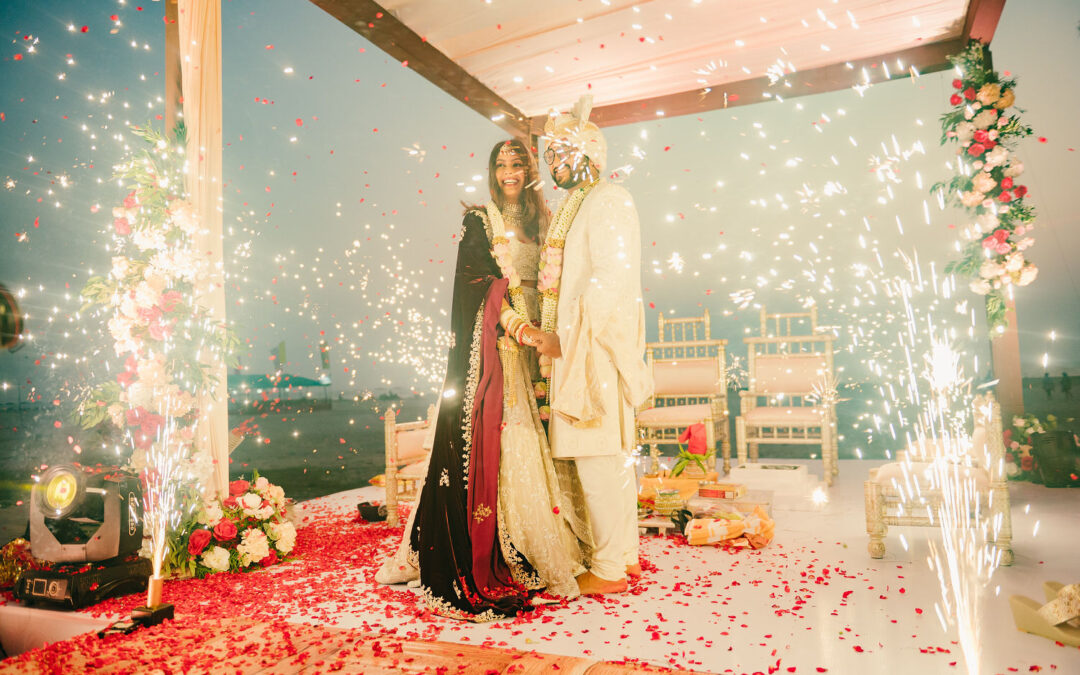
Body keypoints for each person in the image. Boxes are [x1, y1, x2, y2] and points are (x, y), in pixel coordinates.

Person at [375, 139, 588, 621]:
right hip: (505, 348)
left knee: (547, 437)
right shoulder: (480, 222)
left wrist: (552, 331)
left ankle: (550, 537)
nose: (510, 172)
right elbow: (474, 286)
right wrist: (522, 328)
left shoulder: (546, 222)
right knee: (511, 439)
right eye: (502, 165)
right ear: (491, 172)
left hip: (545, 348)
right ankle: (505, 541)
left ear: (531, 172)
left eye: (518, 164)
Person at [531, 95, 653, 595]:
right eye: (549, 156)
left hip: (592, 349)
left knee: (598, 454)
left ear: (587, 155)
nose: (551, 165)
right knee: (609, 457)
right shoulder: (579, 205)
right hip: (584, 346)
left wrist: (565, 335)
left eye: (559, 154)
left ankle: (606, 569)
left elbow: (612, 277)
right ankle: (624, 555)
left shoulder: (608, 199)